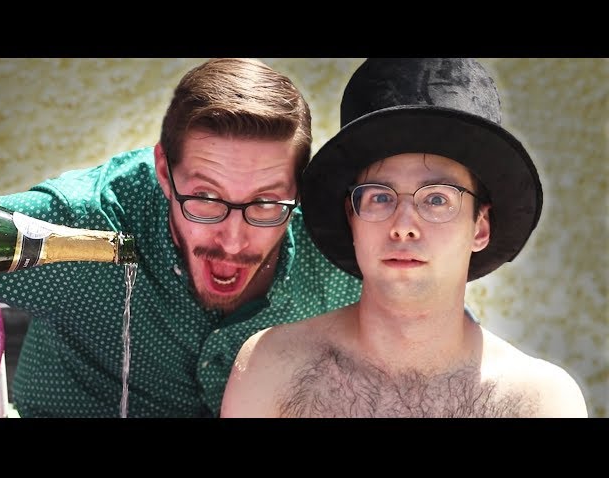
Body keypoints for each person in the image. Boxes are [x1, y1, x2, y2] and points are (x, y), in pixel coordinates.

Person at [0, 58, 363, 417]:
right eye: (206, 197)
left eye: (265, 202)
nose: (232, 241)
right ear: (164, 173)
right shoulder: (87, 222)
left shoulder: (339, 246)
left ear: (299, 187)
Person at [221, 58, 589, 418]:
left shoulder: (538, 401)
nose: (403, 226)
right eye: (380, 197)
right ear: (351, 218)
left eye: (437, 199)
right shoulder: (272, 368)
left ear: (480, 228)